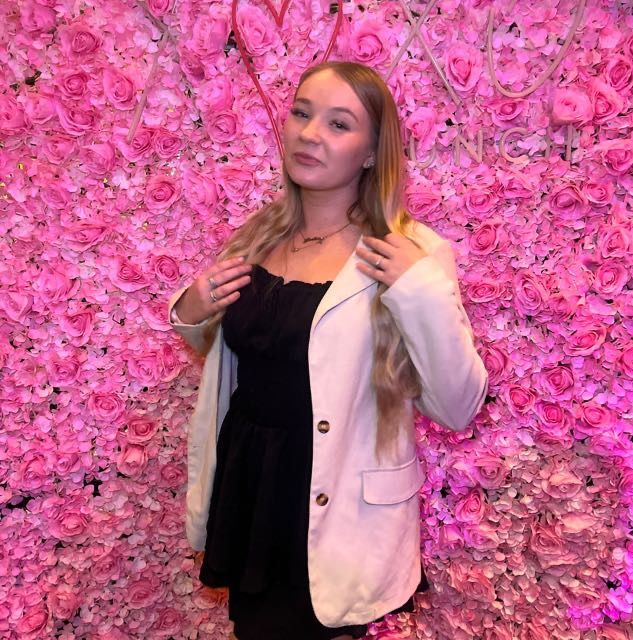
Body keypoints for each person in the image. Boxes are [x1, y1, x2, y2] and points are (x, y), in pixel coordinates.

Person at [168, 61, 488, 640]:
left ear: (371, 152)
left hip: (336, 500)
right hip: (250, 483)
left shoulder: (409, 251)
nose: (310, 134)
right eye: (301, 113)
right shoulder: (258, 234)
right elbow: (240, 354)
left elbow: (458, 406)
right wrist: (191, 311)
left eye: (339, 123)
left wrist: (421, 293)